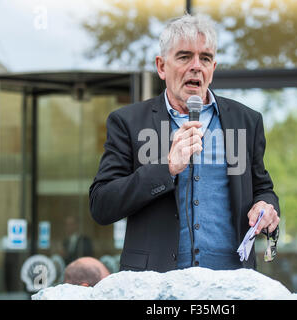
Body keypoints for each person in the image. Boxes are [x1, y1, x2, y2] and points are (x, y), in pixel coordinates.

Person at [89, 14, 280, 272]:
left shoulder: (246, 121)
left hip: (230, 282)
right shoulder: (128, 122)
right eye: (184, 56)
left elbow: (262, 188)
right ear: (161, 66)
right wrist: (166, 168)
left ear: (213, 68)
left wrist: (266, 206)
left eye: (205, 58)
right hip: (155, 285)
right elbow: (102, 204)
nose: (196, 66)